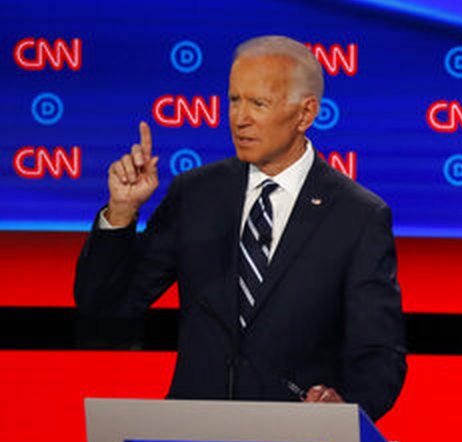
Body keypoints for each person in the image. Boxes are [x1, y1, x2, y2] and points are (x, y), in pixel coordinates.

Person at [74, 35, 406, 421]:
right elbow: (105, 304)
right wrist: (121, 214)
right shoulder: (195, 194)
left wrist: (345, 409)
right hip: (192, 437)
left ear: (305, 113)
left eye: (258, 103)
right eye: (234, 100)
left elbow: (379, 354)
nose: (239, 117)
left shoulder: (357, 216)